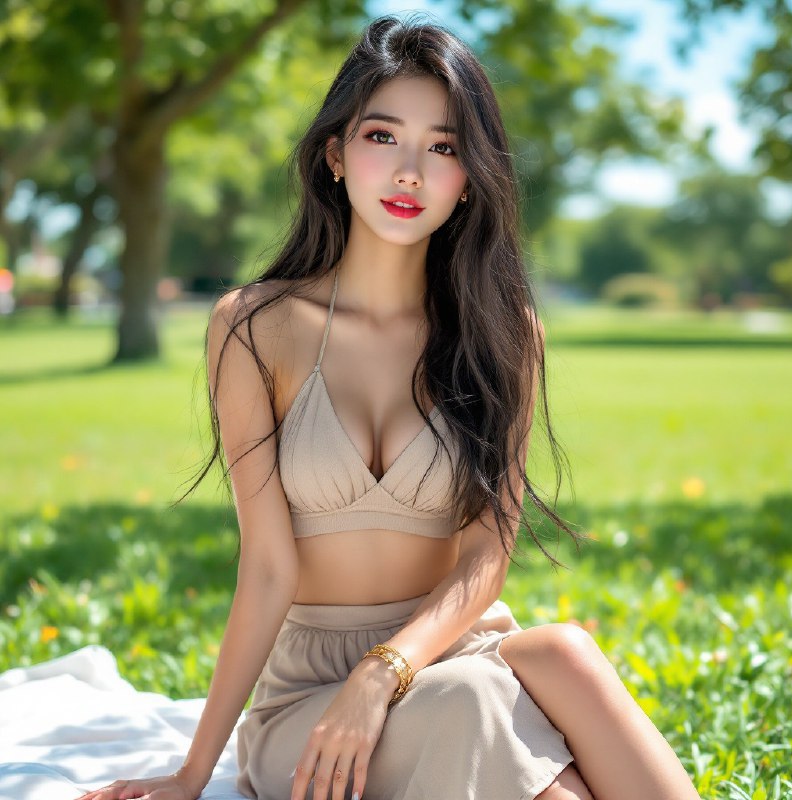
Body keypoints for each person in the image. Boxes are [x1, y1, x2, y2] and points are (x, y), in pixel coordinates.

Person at [75, 14, 702, 800]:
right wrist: (193, 772)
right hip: (310, 697)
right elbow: (267, 568)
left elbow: (485, 557)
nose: (410, 172)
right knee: (485, 711)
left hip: (449, 650)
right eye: (383, 137)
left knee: (565, 652)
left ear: (469, 176)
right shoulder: (253, 326)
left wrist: (386, 671)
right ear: (336, 155)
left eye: (443, 147)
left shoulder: (506, 336)